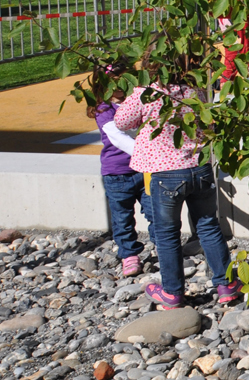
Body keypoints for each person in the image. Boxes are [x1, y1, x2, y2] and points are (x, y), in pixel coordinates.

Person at [114, 64, 240, 309]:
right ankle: (226, 284)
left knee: (167, 233)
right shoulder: (195, 91)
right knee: (208, 225)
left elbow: (121, 122)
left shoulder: (147, 92)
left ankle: (172, 292)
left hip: (166, 173)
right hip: (199, 167)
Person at [91, 86, 152, 277]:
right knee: (122, 218)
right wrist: (150, 155)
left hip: (144, 170)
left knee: (156, 211)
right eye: (113, 81)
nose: (118, 86)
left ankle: (166, 248)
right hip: (117, 173)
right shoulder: (104, 109)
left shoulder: (139, 100)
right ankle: (129, 254)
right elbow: (118, 138)